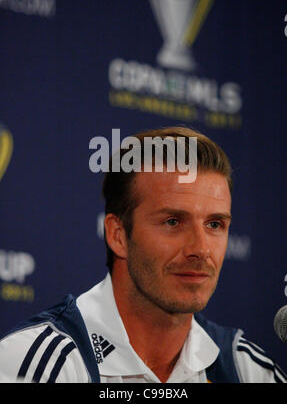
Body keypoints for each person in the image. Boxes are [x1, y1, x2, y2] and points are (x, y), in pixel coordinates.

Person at [0, 126, 286, 383]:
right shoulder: (37, 366)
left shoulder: (247, 370)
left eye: (214, 224)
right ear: (118, 234)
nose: (200, 249)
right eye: (173, 222)